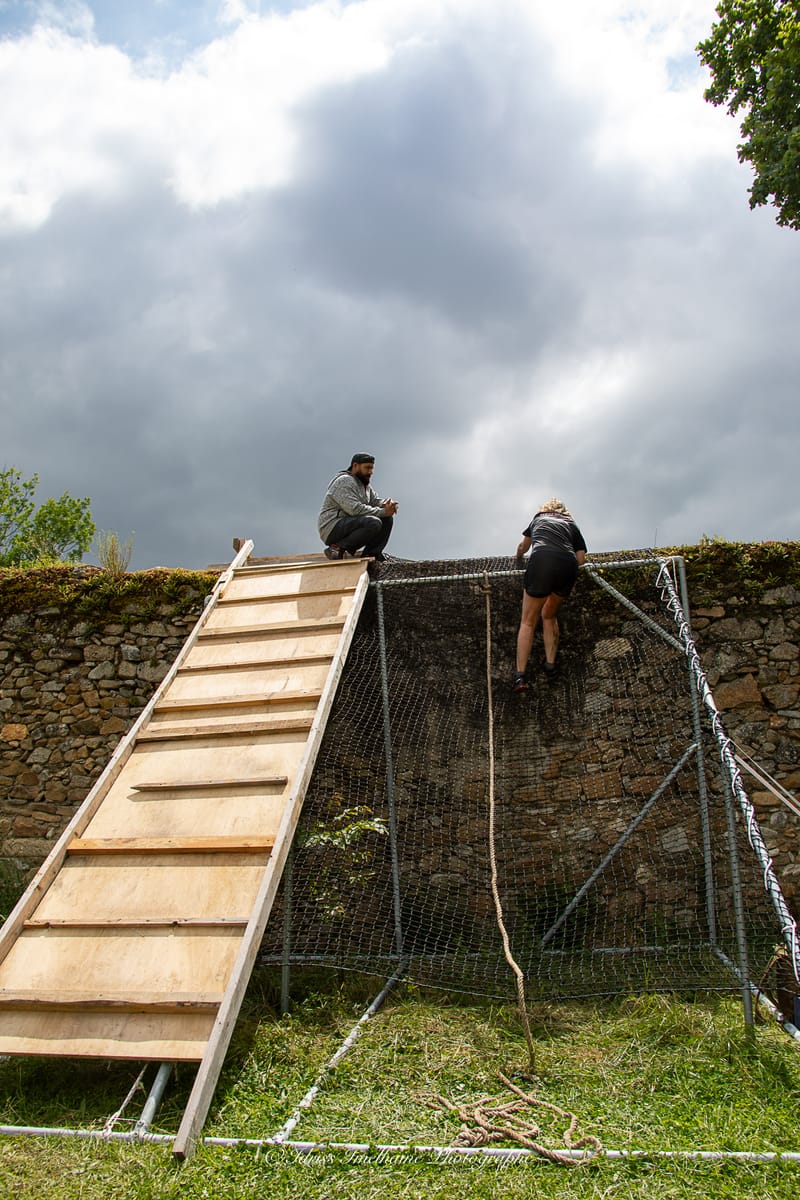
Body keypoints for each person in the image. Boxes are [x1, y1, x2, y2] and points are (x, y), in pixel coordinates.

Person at [513, 499, 586, 691]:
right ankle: (550, 665)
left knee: (528, 621)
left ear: (544, 510)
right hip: (567, 565)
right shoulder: (571, 524)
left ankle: (520, 676)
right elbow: (581, 559)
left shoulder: (538, 519)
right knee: (549, 614)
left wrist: (518, 557)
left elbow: (524, 547)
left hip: (542, 561)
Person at [318, 453, 398, 562]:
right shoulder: (344, 481)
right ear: (355, 466)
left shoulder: (364, 485)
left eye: (372, 468)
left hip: (350, 523)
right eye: (367, 468)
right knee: (373, 522)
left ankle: (371, 553)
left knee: (387, 519)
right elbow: (354, 509)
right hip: (332, 526)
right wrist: (384, 512)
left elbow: (374, 501)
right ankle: (336, 548)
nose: (370, 472)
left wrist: (386, 504)